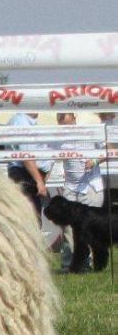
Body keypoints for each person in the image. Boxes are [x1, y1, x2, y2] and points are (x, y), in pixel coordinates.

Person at [52, 112, 106, 270]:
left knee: (91, 227)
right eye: (63, 126)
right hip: (71, 187)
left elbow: (107, 150)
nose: (66, 128)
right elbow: (50, 158)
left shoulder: (89, 132)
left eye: (69, 125)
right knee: (68, 228)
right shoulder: (58, 138)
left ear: (75, 119)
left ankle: (89, 263)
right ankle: (69, 263)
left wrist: (95, 160)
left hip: (91, 187)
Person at [6, 112, 51, 223]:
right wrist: (39, 181)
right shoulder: (22, 122)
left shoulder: (24, 121)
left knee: (30, 219)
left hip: (29, 176)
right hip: (25, 175)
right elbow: (27, 156)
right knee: (31, 221)